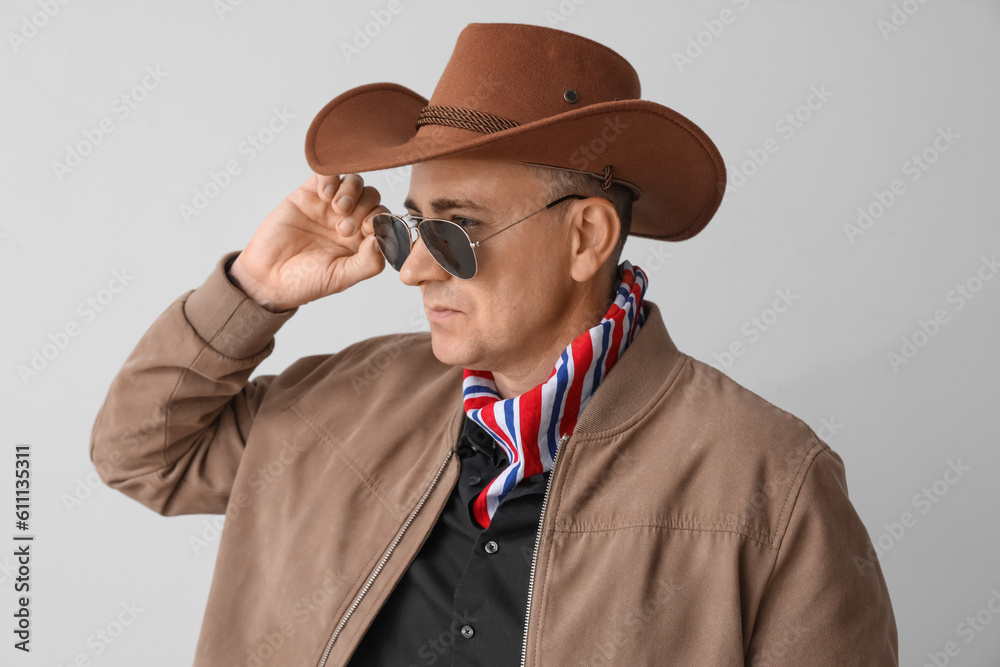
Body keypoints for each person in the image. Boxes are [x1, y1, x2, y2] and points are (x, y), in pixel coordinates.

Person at [90, 21, 898, 666]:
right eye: (407, 229)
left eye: (456, 231)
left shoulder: (770, 483)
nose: (411, 271)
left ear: (586, 235)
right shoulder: (340, 401)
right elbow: (140, 453)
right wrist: (253, 291)